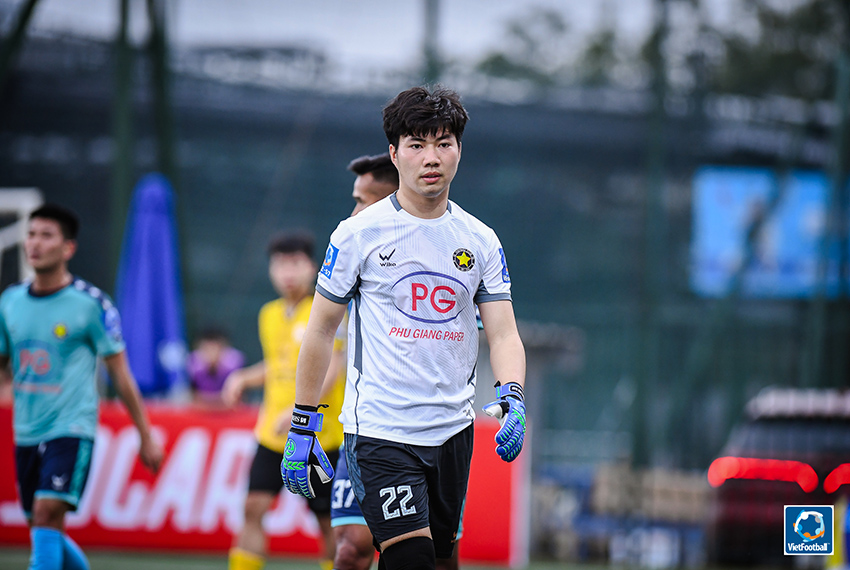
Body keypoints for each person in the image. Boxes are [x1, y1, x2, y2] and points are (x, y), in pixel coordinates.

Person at [282, 86, 527, 570]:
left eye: (443, 143)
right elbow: (320, 331)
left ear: (459, 150)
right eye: (417, 145)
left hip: (453, 432)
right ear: (394, 154)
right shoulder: (357, 234)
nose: (431, 157)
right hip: (380, 431)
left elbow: (502, 333)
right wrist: (303, 423)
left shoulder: (481, 240)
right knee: (404, 555)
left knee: (441, 560)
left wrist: (514, 395)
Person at [0, 203, 163, 570]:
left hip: (71, 427)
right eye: (31, 234)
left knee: (46, 513)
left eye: (46, 235)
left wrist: (146, 435)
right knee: (42, 526)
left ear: (68, 248)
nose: (34, 243)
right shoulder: (9, 302)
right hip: (25, 429)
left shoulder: (91, 305)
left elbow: (121, 375)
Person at [333, 153, 465, 570]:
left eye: (363, 200)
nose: (354, 212)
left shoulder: (454, 250)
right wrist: (305, 419)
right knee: (352, 548)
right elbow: (326, 340)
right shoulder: (353, 245)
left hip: (439, 434)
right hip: (371, 429)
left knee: (438, 557)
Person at [223, 231, 345, 570]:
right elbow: (277, 365)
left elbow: (332, 368)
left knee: (329, 523)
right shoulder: (269, 314)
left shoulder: (328, 310)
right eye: (280, 264)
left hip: (320, 437)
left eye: (295, 263)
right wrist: (242, 378)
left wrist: (297, 412)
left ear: (313, 267)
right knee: (252, 508)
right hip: (273, 435)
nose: (287, 272)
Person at [186, 326, 244, 406]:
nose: (211, 353)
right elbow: (191, 396)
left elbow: (239, 398)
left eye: (215, 348)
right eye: (207, 349)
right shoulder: (193, 363)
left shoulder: (234, 363)